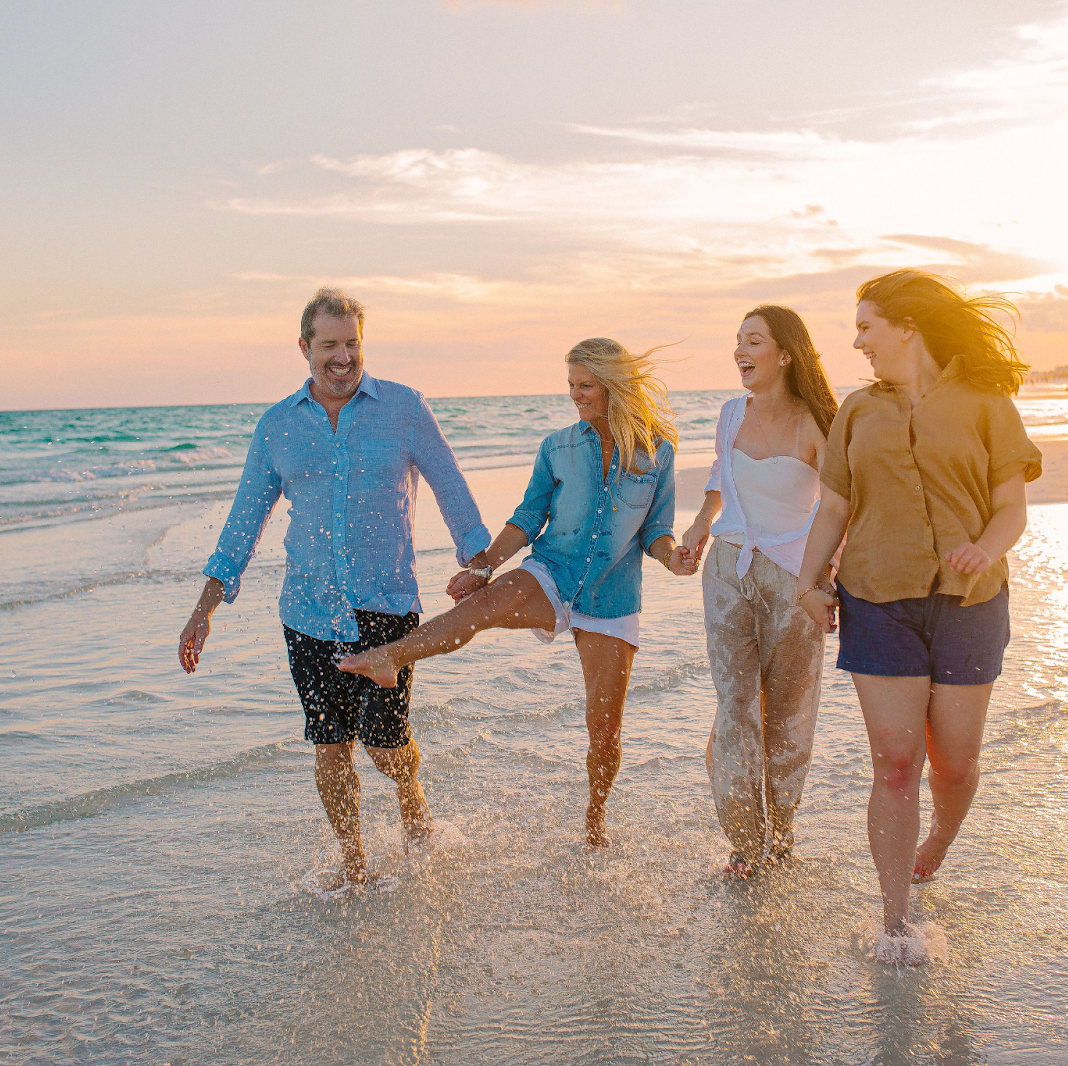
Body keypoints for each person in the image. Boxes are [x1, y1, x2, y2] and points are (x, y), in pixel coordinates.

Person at [176, 288, 493, 892]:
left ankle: (413, 804)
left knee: (384, 743)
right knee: (330, 748)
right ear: (304, 348)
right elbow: (244, 522)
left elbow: (452, 490)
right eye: (330, 345)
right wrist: (203, 611)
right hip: (308, 613)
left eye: (352, 344)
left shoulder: (403, 408)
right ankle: (355, 866)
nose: (343, 357)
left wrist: (477, 568)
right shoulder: (276, 426)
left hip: (386, 607)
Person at [340, 338, 689, 847]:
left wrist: (672, 557)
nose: (575, 395)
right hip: (552, 570)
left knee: (605, 734)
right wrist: (482, 566)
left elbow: (656, 529)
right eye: (570, 385)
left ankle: (595, 821)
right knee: (481, 607)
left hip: (612, 596)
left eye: (586, 385)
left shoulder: (657, 452)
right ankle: (388, 657)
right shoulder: (557, 447)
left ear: (615, 385)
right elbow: (529, 516)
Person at [794, 269, 1042, 962]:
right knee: (896, 762)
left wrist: (982, 549)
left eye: (868, 325)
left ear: (908, 325)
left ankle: (938, 840)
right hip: (876, 598)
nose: (858, 340)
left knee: (954, 766)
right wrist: (807, 584)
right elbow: (834, 508)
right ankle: (895, 921)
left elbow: (1010, 507)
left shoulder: (986, 402)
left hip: (970, 602)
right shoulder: (857, 411)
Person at [678, 305, 840, 878]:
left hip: (796, 578)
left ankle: (782, 835)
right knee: (736, 706)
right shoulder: (729, 414)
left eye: (754, 341)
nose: (741, 351)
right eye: (738, 341)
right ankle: (745, 844)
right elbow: (721, 480)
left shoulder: (817, 421)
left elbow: (842, 504)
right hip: (727, 571)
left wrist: (826, 576)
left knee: (789, 715)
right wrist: (699, 527)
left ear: (786, 354)